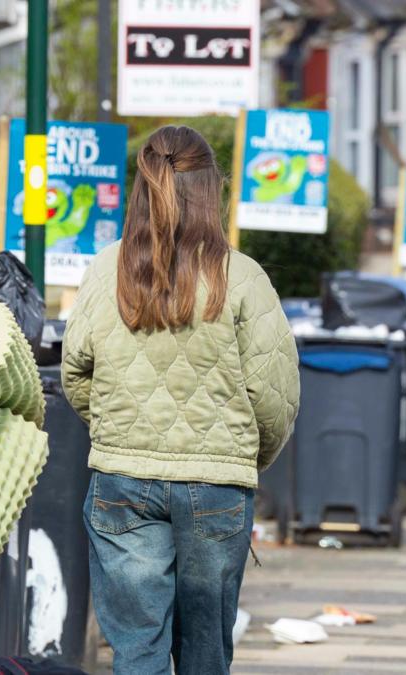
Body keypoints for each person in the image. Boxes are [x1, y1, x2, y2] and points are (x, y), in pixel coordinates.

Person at [61, 125, 300, 675]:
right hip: (217, 485)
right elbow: (276, 396)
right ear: (211, 189)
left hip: (122, 478)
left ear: (141, 189)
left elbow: (76, 372)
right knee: (205, 655)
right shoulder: (241, 278)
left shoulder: (106, 270)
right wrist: (240, 457)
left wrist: (116, 430)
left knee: (136, 651)